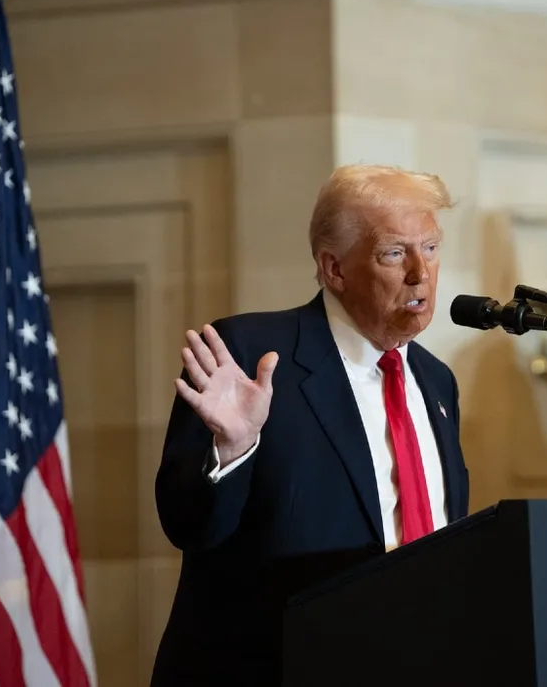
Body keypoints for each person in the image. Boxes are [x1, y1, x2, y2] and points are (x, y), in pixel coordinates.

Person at [152, 165, 471, 685]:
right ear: (334, 268)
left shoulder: (437, 382)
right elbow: (188, 526)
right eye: (395, 253)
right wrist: (233, 451)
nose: (421, 273)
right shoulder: (252, 358)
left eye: (430, 248)